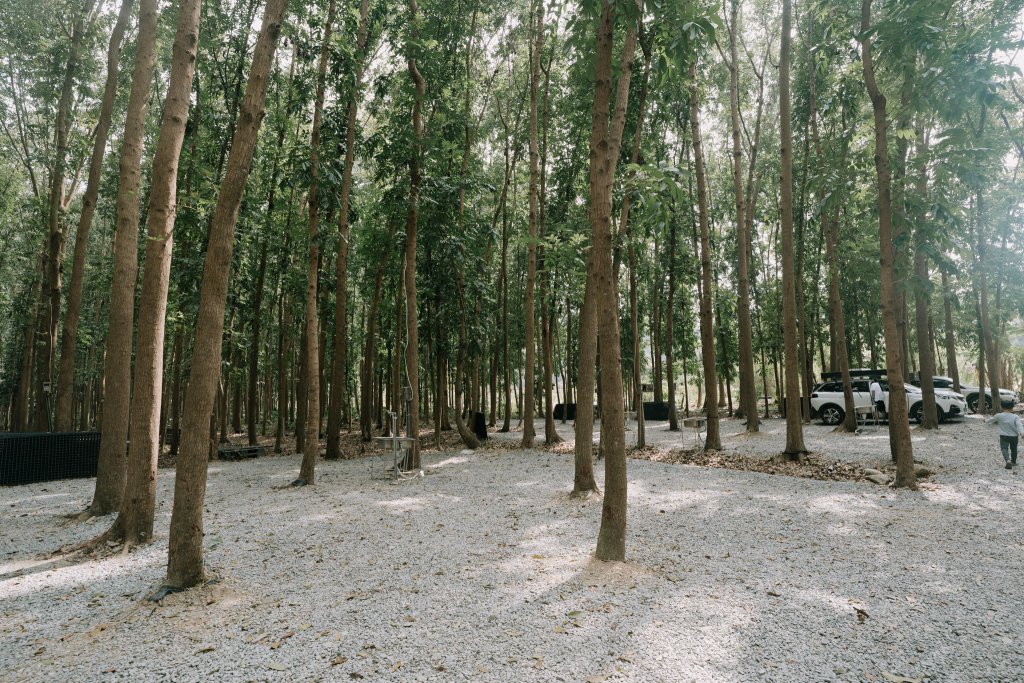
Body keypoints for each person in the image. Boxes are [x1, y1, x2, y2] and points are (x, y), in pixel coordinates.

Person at [985, 400, 1024, 470]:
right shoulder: (1015, 417)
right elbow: (1019, 426)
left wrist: (985, 420)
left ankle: (1007, 460)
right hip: (1014, 436)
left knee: (1004, 448)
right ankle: (1013, 462)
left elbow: (989, 421)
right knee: (1014, 449)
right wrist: (1022, 433)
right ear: (1012, 408)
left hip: (1003, 436)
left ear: (1002, 407)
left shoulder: (999, 416)